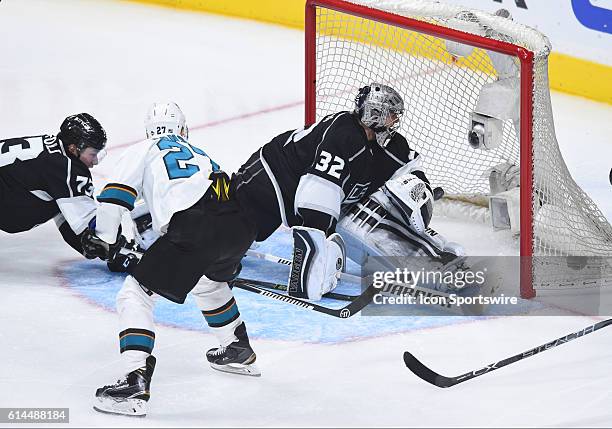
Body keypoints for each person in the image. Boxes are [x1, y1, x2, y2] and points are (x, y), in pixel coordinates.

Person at [85, 102, 259, 417]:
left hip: (194, 228)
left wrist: (105, 240)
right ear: (182, 129)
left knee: (134, 294)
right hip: (239, 224)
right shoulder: (201, 153)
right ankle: (236, 346)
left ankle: (134, 381)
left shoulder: (144, 148)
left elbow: (113, 199)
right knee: (208, 284)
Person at [232, 83, 446, 300]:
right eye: (391, 114)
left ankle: (430, 261)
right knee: (235, 233)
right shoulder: (343, 135)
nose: (395, 120)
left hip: (304, 187)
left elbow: (409, 167)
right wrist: (315, 244)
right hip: (272, 176)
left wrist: (420, 187)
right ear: (375, 114)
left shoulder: (390, 144)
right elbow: (319, 193)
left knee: (369, 217)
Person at [0, 113, 106, 255]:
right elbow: (90, 226)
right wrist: (112, 246)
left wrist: (89, 243)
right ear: (74, 148)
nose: (95, 161)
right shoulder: (65, 167)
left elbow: (69, 214)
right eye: (92, 154)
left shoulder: (55, 153)